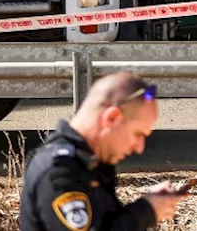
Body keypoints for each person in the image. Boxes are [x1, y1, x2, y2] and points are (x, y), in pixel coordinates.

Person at [20, 71, 183, 231]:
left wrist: (149, 205)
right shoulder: (58, 172)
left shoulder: (91, 162)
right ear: (111, 118)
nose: (139, 148)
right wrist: (145, 211)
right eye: (137, 134)